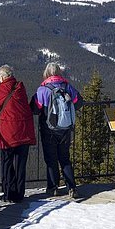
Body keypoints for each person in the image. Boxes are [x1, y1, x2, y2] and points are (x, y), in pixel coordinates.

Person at [31, 62, 83, 199]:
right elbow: (79, 102)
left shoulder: (43, 90)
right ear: (59, 72)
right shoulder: (67, 86)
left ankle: (53, 187)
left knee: (51, 159)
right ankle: (72, 187)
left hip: (49, 130)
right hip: (65, 129)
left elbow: (35, 109)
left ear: (46, 74)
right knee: (65, 158)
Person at [0, 64, 36, 203]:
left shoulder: (1, 90)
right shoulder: (20, 87)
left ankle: (8, 194)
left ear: (2, 77)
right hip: (24, 131)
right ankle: (19, 194)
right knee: (20, 165)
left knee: (7, 164)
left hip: (8, 134)